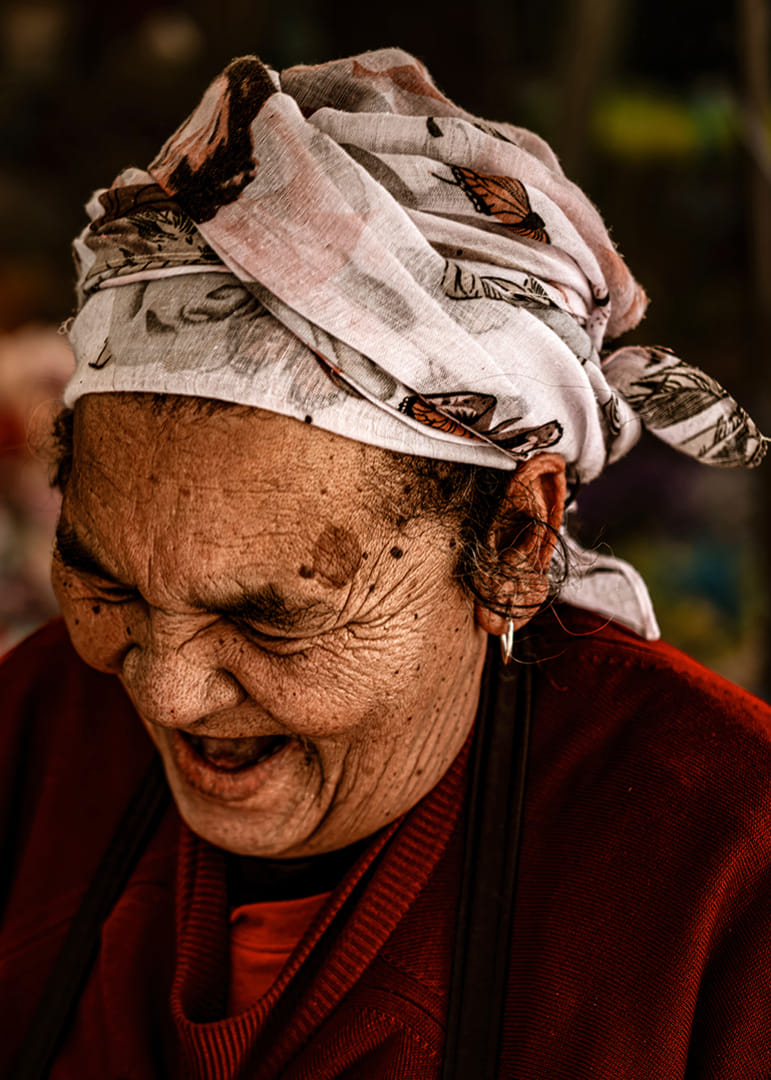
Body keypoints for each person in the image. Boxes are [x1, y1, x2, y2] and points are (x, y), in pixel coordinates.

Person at [2, 47, 771, 1080]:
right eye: (110, 585)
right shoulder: (35, 731)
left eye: (269, 615)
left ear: (515, 543)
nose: (170, 691)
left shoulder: (731, 865)